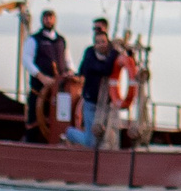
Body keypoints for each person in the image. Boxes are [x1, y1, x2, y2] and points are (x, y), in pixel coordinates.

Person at [65, 17, 123, 149]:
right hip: (91, 103)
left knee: (109, 137)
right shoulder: (90, 54)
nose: (101, 44)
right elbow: (104, 70)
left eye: (103, 42)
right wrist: (114, 53)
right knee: (91, 142)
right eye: (98, 42)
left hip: (108, 104)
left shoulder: (112, 55)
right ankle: (70, 133)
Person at [24, 8, 72, 138]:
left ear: (55, 20)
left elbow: (67, 60)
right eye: (46, 18)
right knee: (35, 119)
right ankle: (33, 143)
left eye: (51, 17)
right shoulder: (34, 40)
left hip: (58, 91)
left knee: (59, 118)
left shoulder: (61, 41)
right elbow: (27, 60)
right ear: (42, 20)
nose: (48, 20)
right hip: (39, 90)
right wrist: (41, 77)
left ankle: (58, 139)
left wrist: (70, 73)